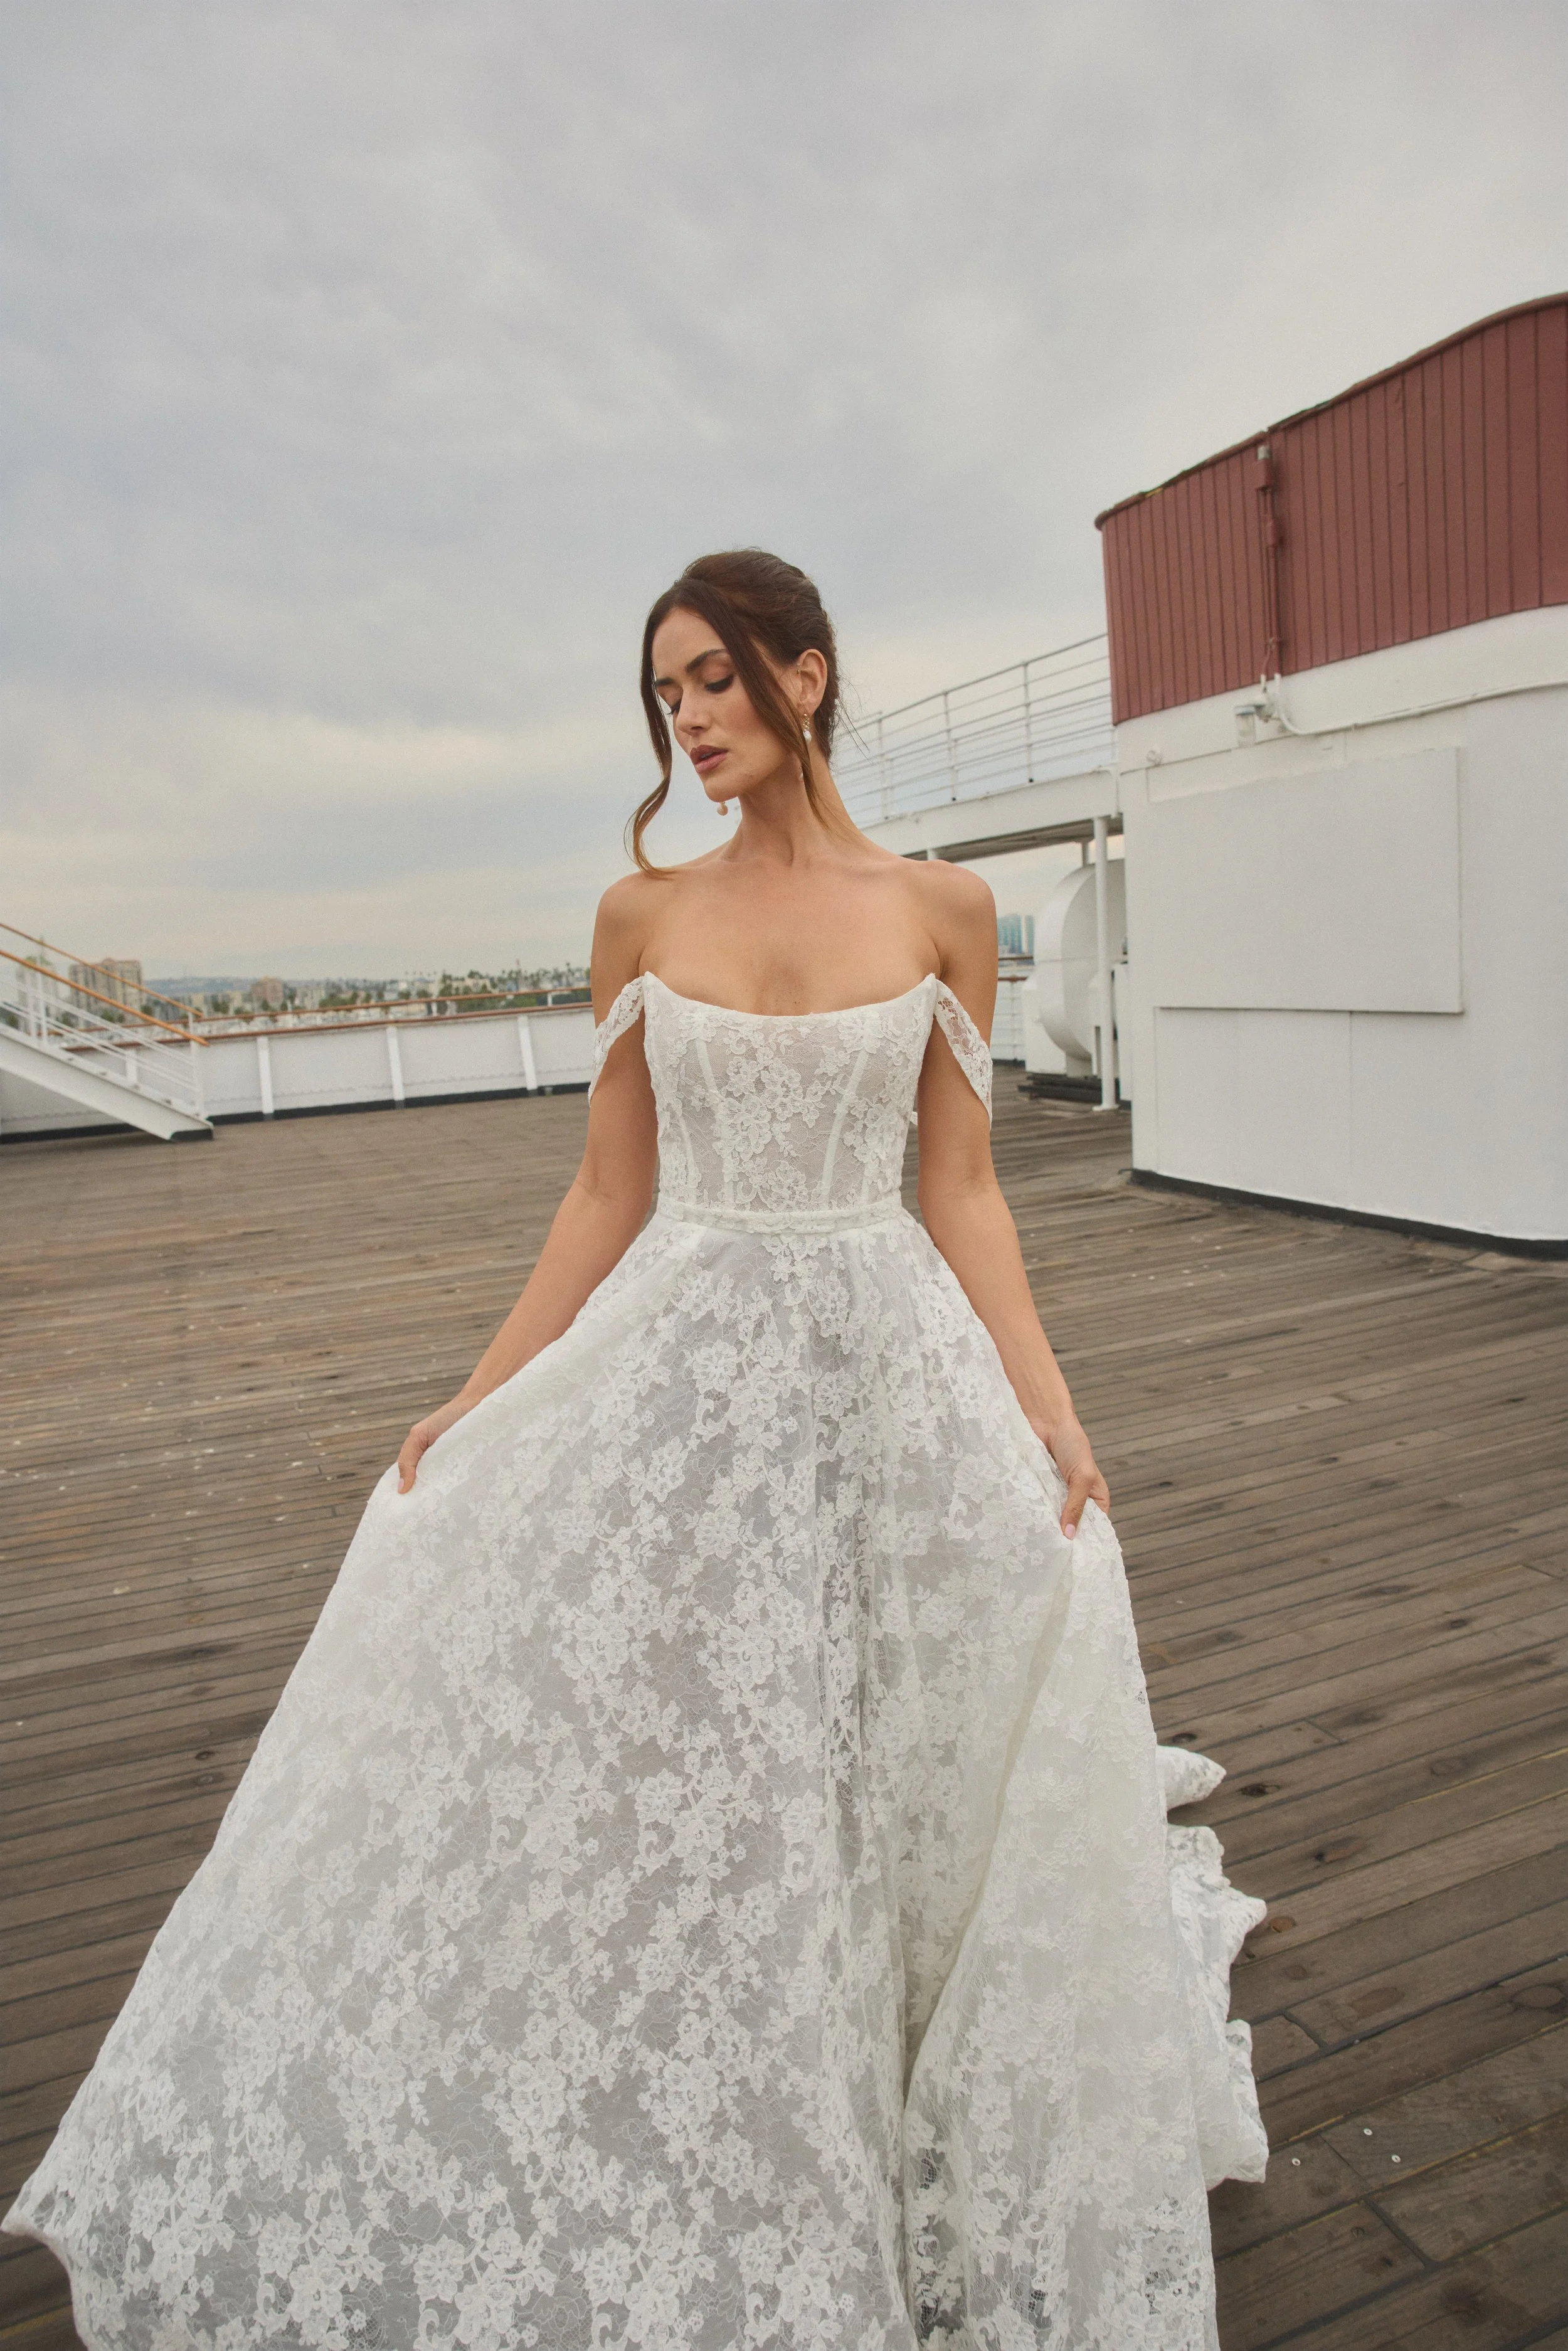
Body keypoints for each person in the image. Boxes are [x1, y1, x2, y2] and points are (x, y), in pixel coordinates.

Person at [5, 550, 1266, 2351]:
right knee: (711, 1714)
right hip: (685, 1351)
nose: (685, 717)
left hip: (881, 1347)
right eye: (665, 690)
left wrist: (1043, 1399)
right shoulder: (637, 916)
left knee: (892, 1696)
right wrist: (474, 1393)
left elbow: (961, 1186)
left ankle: (894, 2046)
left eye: (715, 680)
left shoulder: (943, 909)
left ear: (805, 677)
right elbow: (608, 1187)